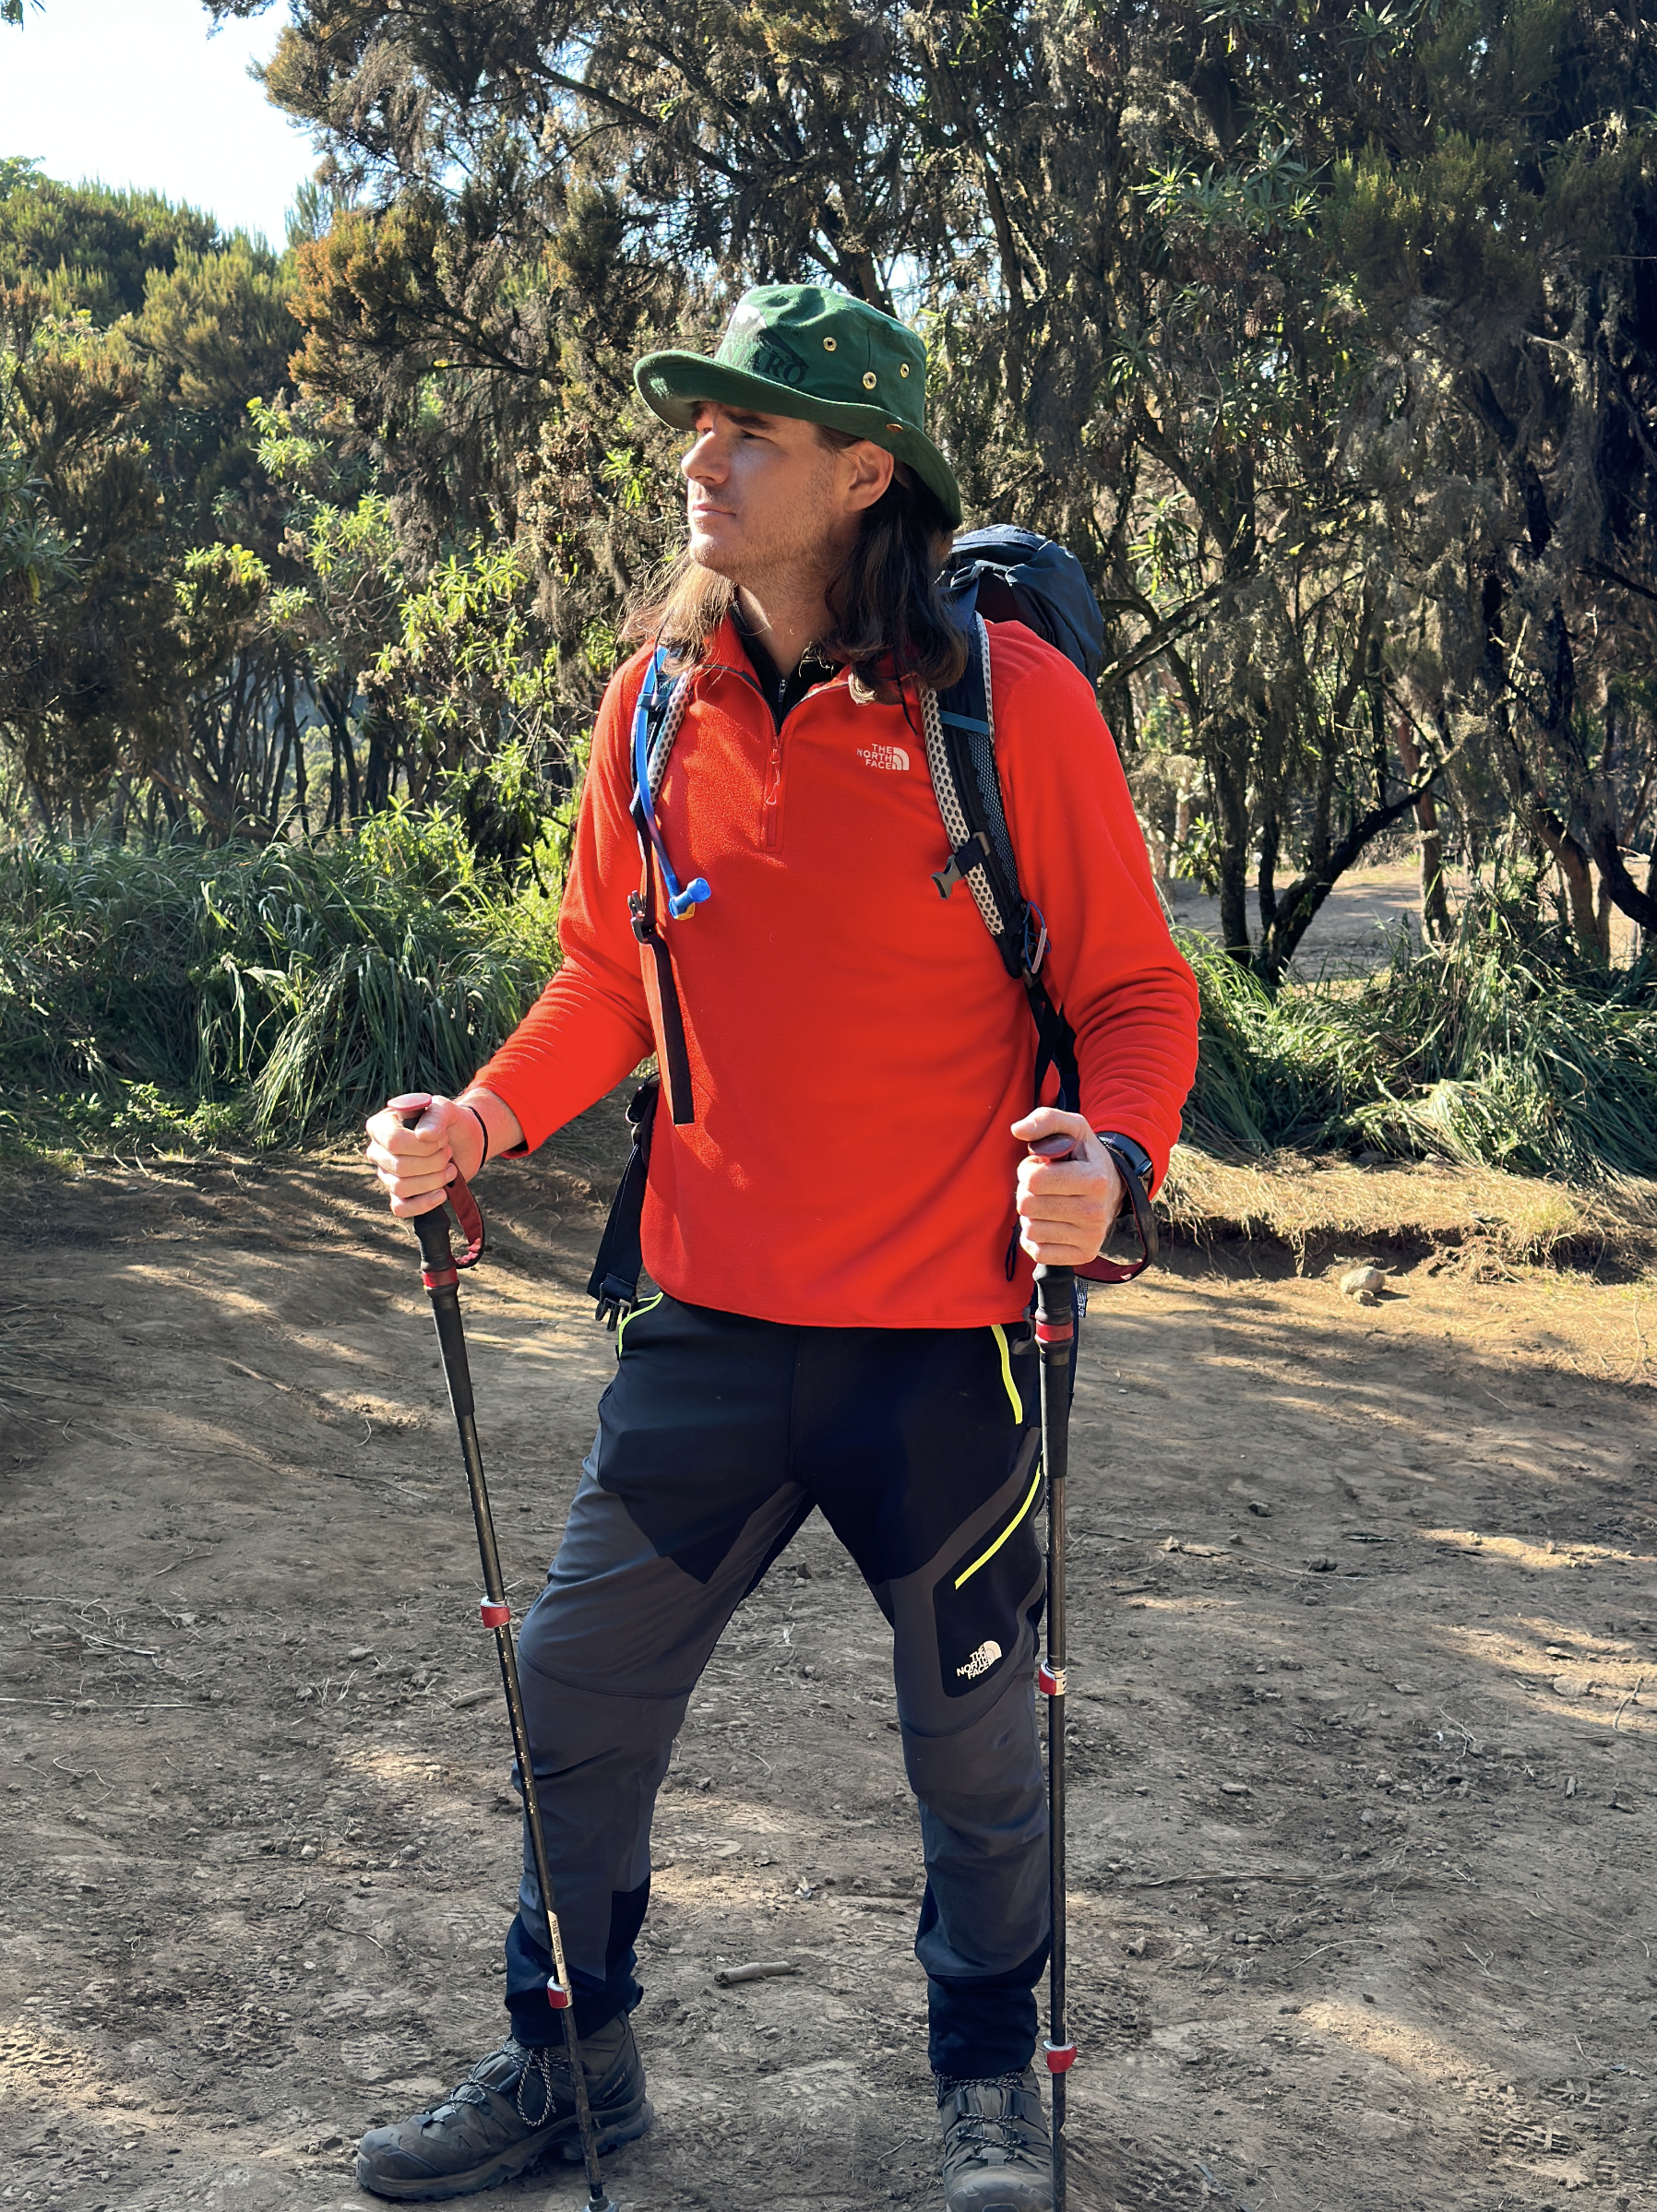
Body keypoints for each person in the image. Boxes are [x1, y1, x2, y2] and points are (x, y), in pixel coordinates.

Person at [360, 283, 1198, 2210]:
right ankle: (570, 2065)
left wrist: (1114, 1160)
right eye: (696, 423)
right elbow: (605, 977)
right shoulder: (659, 700)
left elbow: (1136, 992)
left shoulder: (1010, 707)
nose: (698, 457)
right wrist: (484, 1117)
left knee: (978, 1747)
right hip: (712, 1331)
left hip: (953, 1344)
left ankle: (989, 2090)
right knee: (567, 1691)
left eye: (747, 427)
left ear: (862, 470)